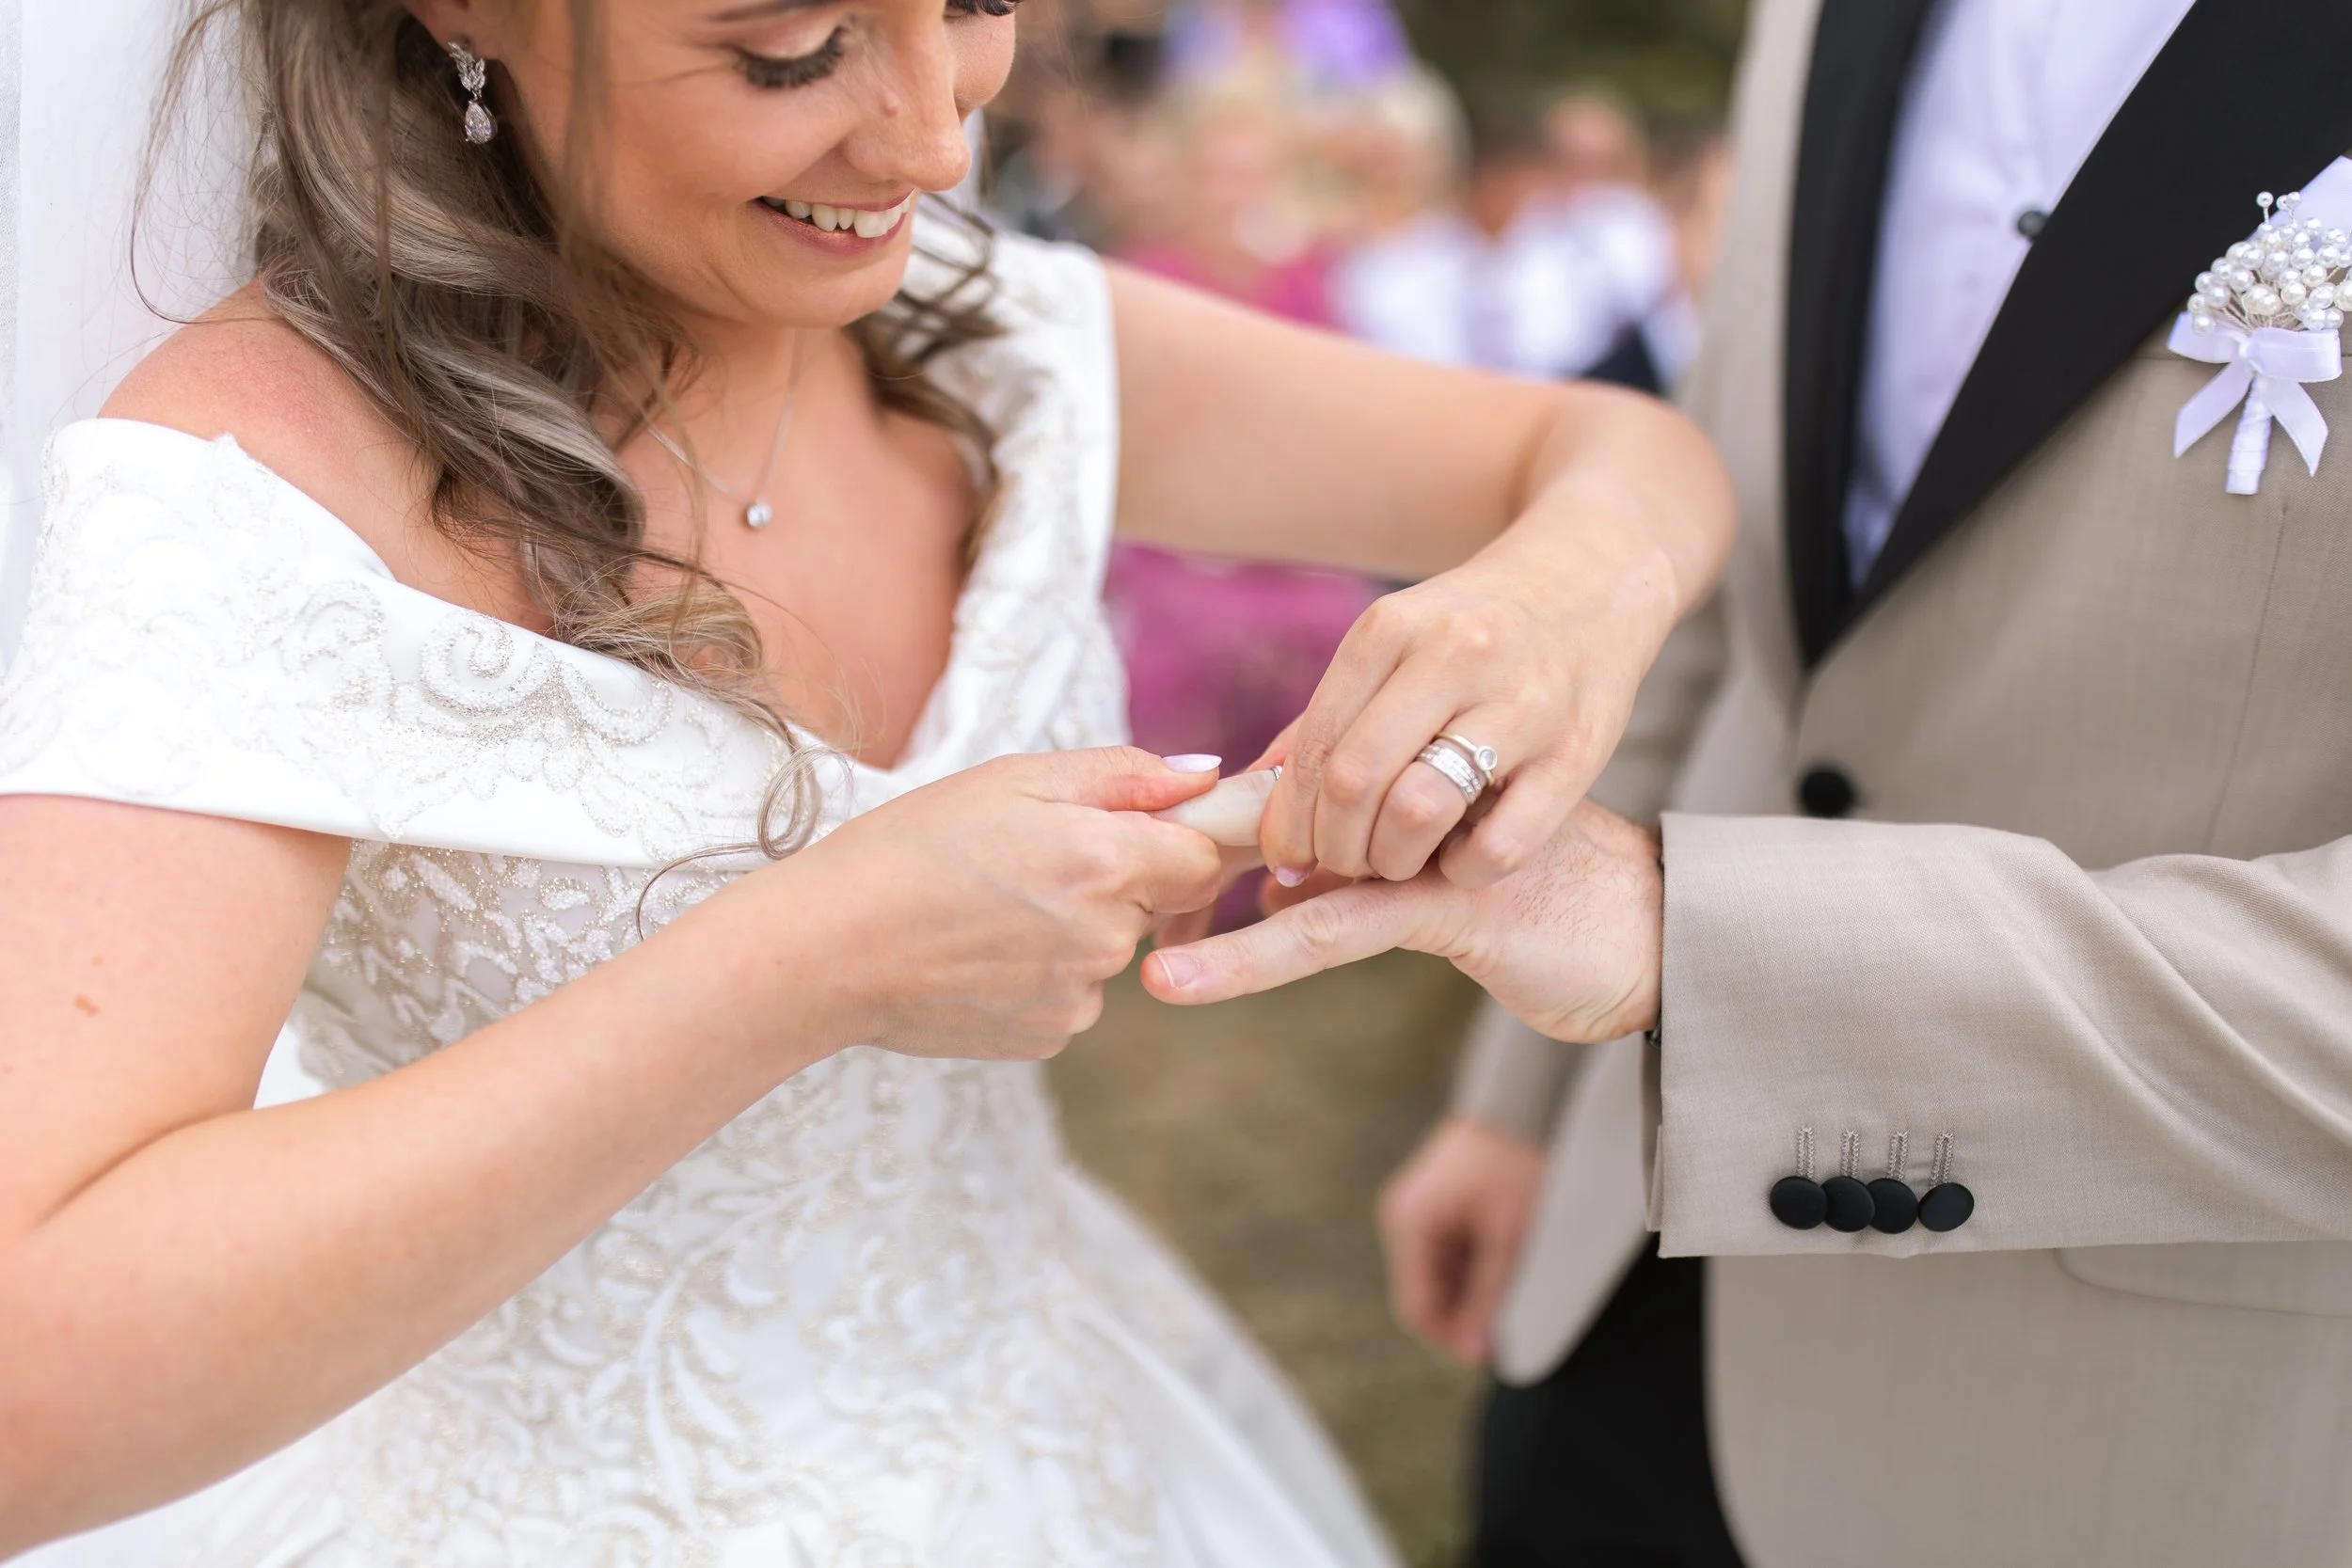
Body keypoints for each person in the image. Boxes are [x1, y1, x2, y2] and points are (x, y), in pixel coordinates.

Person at [0, 0, 1734, 1561]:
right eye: (791, 50)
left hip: (1044, 1449)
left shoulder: (995, 338)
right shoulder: (247, 491)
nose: (935, 139)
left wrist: (1560, 600)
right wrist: (802, 963)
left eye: (977, 4)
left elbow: (1610, 453)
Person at [1148, 0, 2352, 1563]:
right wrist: (1523, 1104)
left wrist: (1685, 939)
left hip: (2124, 1415)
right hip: (1628, 1253)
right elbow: (1745, 583)